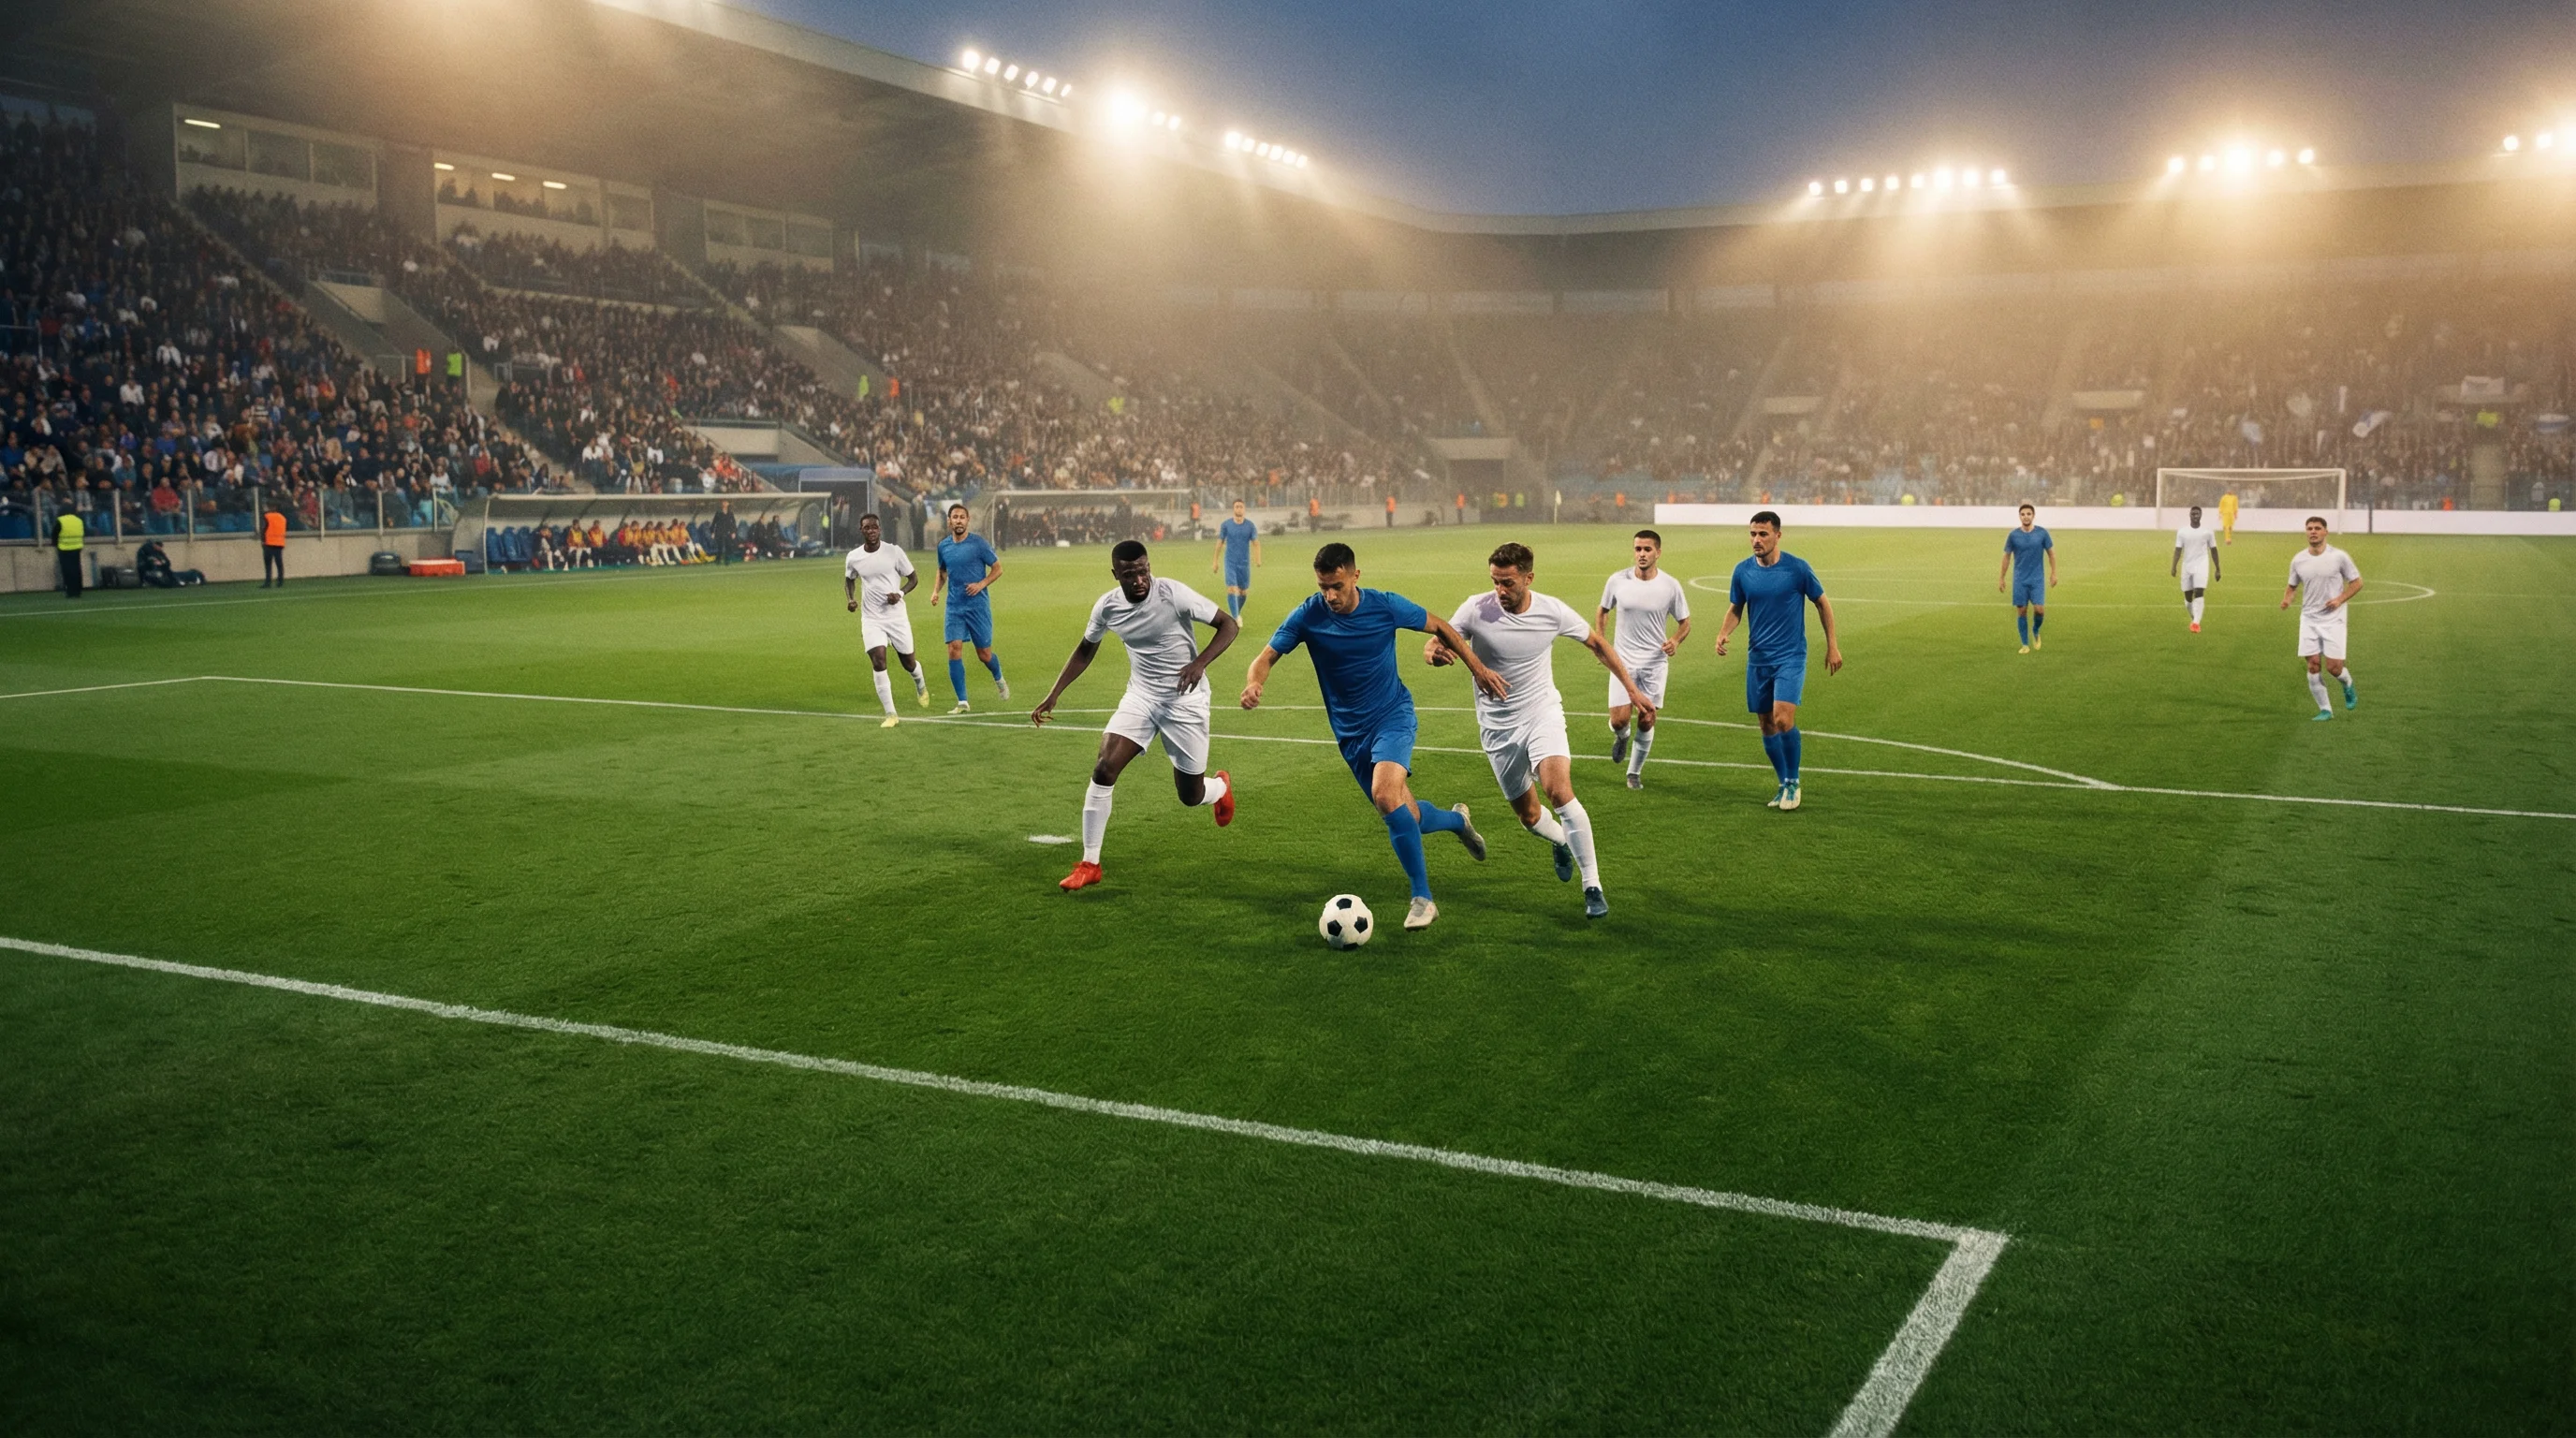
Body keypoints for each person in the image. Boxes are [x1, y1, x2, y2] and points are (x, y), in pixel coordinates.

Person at [1240, 541, 1505, 932]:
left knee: (1385, 796)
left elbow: (1441, 626)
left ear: (1355, 576)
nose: (1330, 595)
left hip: (1392, 715)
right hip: (1350, 735)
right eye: (1323, 587)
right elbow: (1265, 656)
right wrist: (1253, 684)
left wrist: (1478, 669)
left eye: (1337, 586)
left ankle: (1423, 898)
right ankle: (1457, 821)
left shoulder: (1384, 605)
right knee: (1407, 816)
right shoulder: (1308, 614)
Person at [1432, 542, 1654, 919]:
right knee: (1530, 817)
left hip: (1542, 713)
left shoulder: (1552, 611)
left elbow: (1598, 644)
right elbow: (1438, 641)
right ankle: (1561, 842)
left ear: (1528, 578)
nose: (1500, 591)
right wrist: (1433, 653)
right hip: (1498, 729)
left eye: (1508, 583)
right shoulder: (1476, 607)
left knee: (1559, 791)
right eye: (1495, 582)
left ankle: (1593, 886)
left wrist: (1631, 690)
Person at [1032, 540, 1243, 891]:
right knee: (1104, 768)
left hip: (1185, 701)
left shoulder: (1173, 594)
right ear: (1116, 575)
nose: (1140, 579)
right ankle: (1090, 863)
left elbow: (1228, 625)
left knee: (1189, 795)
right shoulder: (1107, 607)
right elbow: (1085, 650)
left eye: (1144, 570)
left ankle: (1219, 788)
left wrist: (1198, 663)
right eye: (1130, 574)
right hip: (1141, 697)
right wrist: (1055, 693)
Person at [1713, 511, 1841, 811]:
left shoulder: (1797, 569)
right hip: (1758, 657)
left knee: (1783, 718)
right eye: (1753, 534)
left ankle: (1794, 782)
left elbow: (1822, 603)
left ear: (1778, 535)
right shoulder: (1743, 571)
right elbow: (1736, 608)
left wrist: (1832, 645)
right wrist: (1723, 632)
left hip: (1790, 656)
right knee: (1765, 723)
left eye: (1763, 534)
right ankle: (1783, 783)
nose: (1756, 540)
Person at [1596, 528, 1691, 789]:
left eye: (1647, 549)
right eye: (1638, 549)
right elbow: (1603, 610)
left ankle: (1634, 772)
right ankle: (1622, 736)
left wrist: (1675, 640)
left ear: (1658, 553)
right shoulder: (1617, 580)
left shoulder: (1670, 586)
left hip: (1654, 663)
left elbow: (1685, 622)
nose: (1641, 554)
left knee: (1647, 717)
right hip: (1622, 661)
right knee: (1619, 720)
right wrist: (1602, 642)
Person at [842, 512, 931, 726]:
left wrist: (899, 594)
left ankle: (920, 683)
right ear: (861, 530)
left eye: (875, 527)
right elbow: (849, 579)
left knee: (909, 663)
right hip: (871, 618)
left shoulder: (893, 552)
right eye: (867, 527)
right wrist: (851, 599)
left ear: (880, 529)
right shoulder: (854, 557)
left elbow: (913, 578)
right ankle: (891, 714)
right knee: (878, 661)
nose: (871, 531)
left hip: (896, 617)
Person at [2280, 516, 2363, 721]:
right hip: (2309, 619)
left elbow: (2357, 582)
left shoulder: (2339, 557)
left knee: (2334, 668)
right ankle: (2325, 709)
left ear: (2325, 532)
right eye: (2309, 528)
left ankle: (2348, 684)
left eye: (2317, 528)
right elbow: (2292, 586)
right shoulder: (2298, 559)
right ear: (2306, 532)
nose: (2313, 531)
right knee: (2313, 665)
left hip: (2334, 619)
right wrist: (2287, 600)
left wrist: (2340, 599)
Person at [930, 503, 1007, 712]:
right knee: (954, 649)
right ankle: (962, 701)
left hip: (977, 606)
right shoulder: (943, 546)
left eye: (962, 517)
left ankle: (998, 676)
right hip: (954, 606)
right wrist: (936, 591)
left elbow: (998, 568)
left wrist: (981, 584)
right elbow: (942, 571)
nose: (958, 521)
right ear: (949, 521)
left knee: (984, 654)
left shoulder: (979, 544)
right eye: (954, 517)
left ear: (967, 520)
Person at [1998, 502, 2056, 653]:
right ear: (2019, 516)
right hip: (2020, 579)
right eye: (2023, 514)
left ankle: (2036, 630)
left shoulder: (2042, 533)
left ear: (2033, 516)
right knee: (2021, 610)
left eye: (2028, 514)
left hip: (2037, 579)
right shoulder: (2013, 535)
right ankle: (2025, 644)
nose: (2026, 517)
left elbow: (2051, 553)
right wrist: (2002, 578)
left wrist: (2053, 573)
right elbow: (2006, 557)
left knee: (2039, 610)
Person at [2172, 505, 2221, 632]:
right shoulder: (2182, 532)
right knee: (2188, 598)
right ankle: (2195, 616)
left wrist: (2217, 568)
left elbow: (2214, 550)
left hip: (2202, 564)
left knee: (2199, 591)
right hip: (2187, 565)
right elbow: (2178, 550)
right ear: (2190, 515)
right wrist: (2174, 566)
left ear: (2201, 515)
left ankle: (2196, 624)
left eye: (2197, 514)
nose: (2195, 516)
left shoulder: (2208, 532)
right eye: (2193, 514)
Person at [1211, 499, 1262, 618]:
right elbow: (1219, 543)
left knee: (1243, 592)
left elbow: (1256, 543)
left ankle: (1236, 613)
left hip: (1244, 563)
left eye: (1241, 507)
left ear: (1244, 509)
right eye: (1236, 507)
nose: (1238, 509)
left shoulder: (1250, 526)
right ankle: (1235, 617)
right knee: (1232, 589)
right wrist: (1215, 561)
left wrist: (1257, 558)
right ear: (1233, 509)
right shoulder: (1226, 525)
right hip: (1230, 562)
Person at [50, 505, 83, 599]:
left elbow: (55, 533)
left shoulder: (60, 520)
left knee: (67, 571)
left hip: (64, 548)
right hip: (77, 548)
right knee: (77, 570)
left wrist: (54, 544)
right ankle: (78, 591)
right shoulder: (79, 520)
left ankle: (70, 591)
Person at [259, 504, 286, 587]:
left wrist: (263, 540)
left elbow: (264, 528)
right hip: (280, 543)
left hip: (269, 542)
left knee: (268, 564)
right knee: (279, 563)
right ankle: (280, 581)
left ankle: (268, 582)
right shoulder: (283, 518)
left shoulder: (267, 516)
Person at [712, 500, 738, 565]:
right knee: (720, 547)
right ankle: (718, 560)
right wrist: (713, 532)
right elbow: (714, 523)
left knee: (728, 546)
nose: (725, 504)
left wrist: (733, 532)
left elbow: (733, 523)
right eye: (723, 502)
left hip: (728, 532)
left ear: (728, 504)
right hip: (720, 532)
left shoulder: (730, 513)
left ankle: (727, 560)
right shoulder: (718, 513)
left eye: (726, 502)